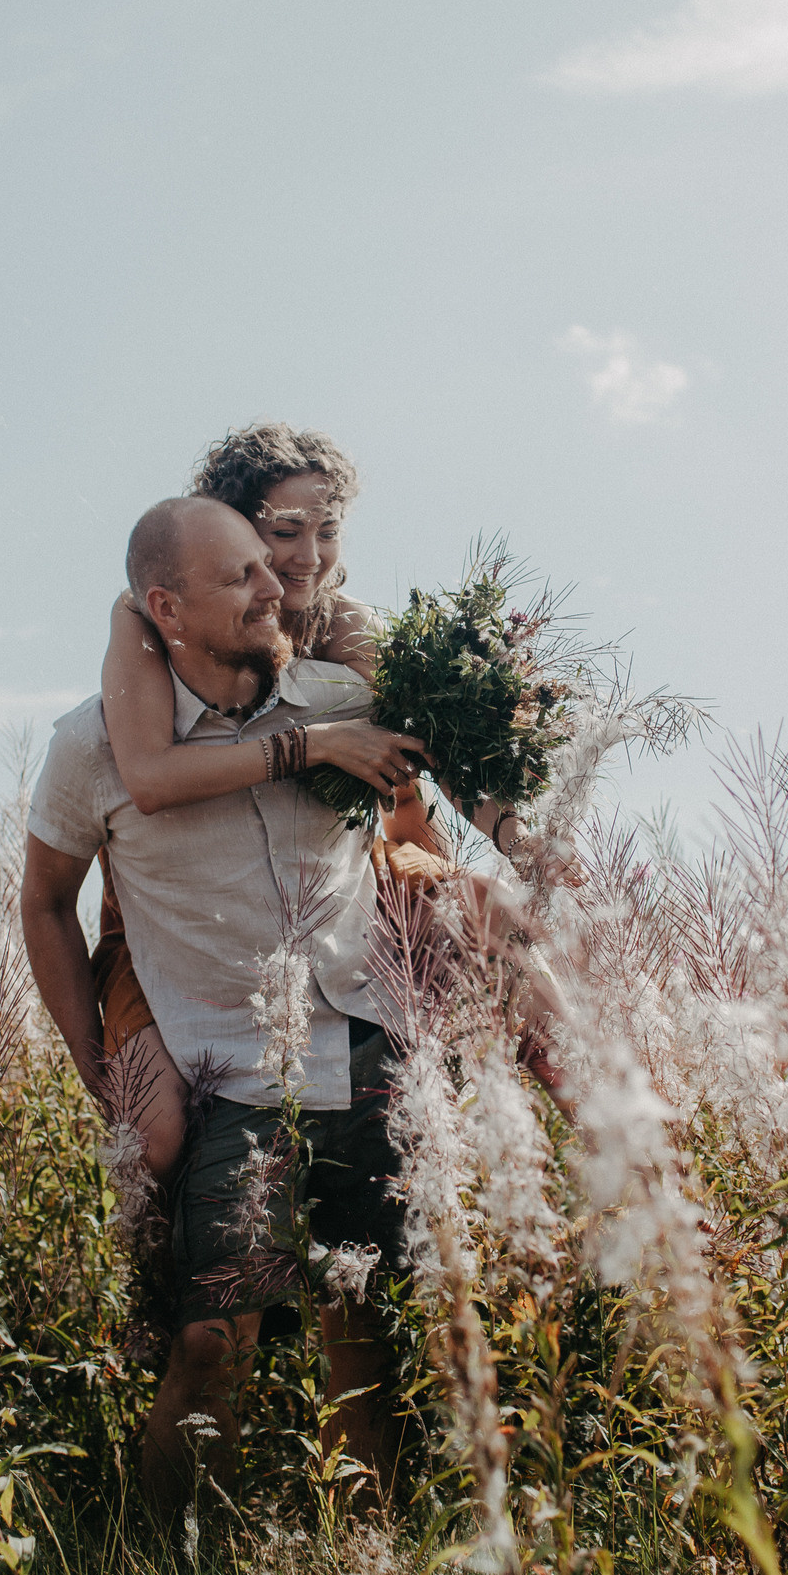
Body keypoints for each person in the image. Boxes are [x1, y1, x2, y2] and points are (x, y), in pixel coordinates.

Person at [20, 495, 413, 1528]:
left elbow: (430, 803)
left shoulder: (339, 704)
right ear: (166, 608)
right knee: (210, 1341)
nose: (275, 586)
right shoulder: (93, 746)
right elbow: (45, 902)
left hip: (358, 1042)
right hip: (217, 1072)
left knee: (360, 1328)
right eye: (239, 576)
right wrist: (94, 1066)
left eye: (268, 565)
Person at [87, 424, 555, 1187]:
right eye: (284, 532)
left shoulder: (347, 626)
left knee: (488, 921)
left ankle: (631, 1155)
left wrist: (521, 838)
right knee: (162, 1136)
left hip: (332, 883)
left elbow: (438, 749)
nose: (308, 557)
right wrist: (318, 745)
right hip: (182, 911)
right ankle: (174, 1271)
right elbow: (146, 771)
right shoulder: (149, 618)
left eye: (328, 530)